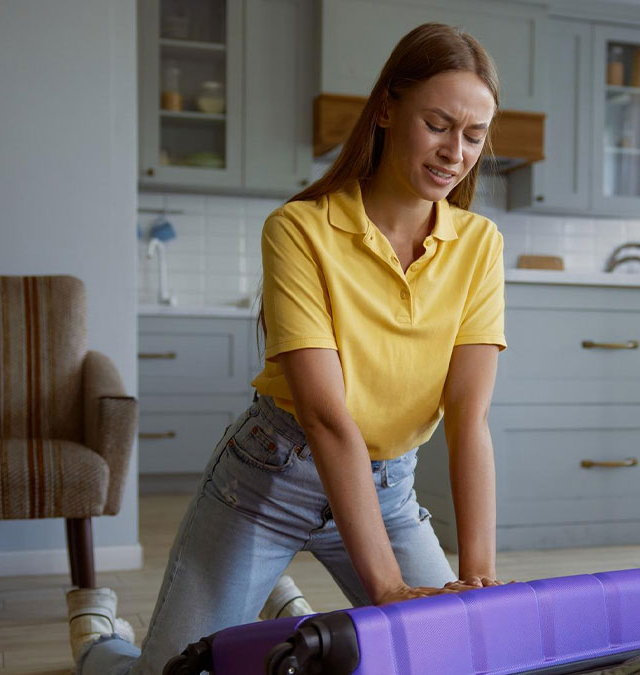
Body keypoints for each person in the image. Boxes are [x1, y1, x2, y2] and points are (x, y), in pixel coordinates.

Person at [66, 22, 506, 674]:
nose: (455, 151)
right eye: (438, 124)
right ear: (387, 108)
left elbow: (469, 419)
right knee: (176, 672)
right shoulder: (300, 229)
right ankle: (99, 638)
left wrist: (478, 579)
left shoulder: (480, 245)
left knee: (460, 658)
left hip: (386, 490)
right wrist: (385, 588)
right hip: (270, 480)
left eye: (473, 136)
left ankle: (278, 611)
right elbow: (328, 417)